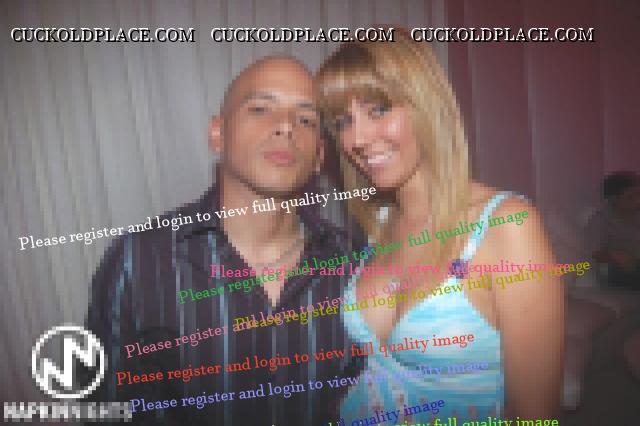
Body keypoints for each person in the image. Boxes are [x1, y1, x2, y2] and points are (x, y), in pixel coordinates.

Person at [85, 56, 361, 425]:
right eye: (260, 108)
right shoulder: (137, 262)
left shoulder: (353, 265)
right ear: (218, 134)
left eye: (306, 119)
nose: (285, 126)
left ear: (319, 156)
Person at [315, 31, 564, 422]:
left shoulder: (507, 225)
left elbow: (535, 415)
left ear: (426, 105)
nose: (357, 139)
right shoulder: (379, 225)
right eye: (343, 121)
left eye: (378, 109)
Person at [588, 171, 640, 289]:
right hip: (621, 268)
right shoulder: (601, 220)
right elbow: (594, 252)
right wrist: (614, 255)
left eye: (638, 195)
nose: (638, 200)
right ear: (613, 199)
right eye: (631, 197)